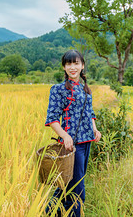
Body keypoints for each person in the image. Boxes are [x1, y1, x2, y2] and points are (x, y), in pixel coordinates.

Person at [44, 50, 101, 216]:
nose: (72, 67)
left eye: (76, 63)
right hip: (71, 146)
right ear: (64, 67)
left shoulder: (85, 89)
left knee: (67, 186)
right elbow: (52, 118)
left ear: (82, 65)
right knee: (77, 192)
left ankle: (48, 213)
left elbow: (89, 113)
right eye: (69, 64)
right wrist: (65, 136)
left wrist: (94, 129)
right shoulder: (58, 89)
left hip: (86, 142)